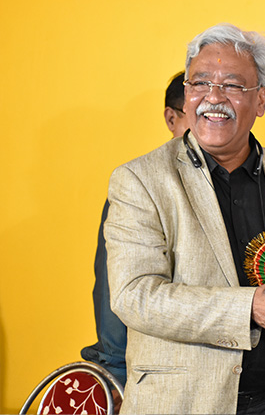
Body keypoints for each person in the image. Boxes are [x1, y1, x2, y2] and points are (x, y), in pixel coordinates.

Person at [104, 23, 265, 414]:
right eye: (200, 83)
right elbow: (135, 295)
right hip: (184, 403)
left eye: (232, 85)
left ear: (261, 100)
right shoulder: (140, 180)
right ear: (186, 93)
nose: (213, 98)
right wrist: (250, 306)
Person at [81, 71, 188, 387]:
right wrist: (115, 372)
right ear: (171, 118)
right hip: (158, 371)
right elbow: (113, 289)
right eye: (196, 114)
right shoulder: (140, 185)